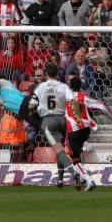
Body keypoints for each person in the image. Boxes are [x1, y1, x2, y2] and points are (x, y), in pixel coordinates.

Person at [58, 77, 112, 191]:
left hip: (73, 130)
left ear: (70, 86)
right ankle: (82, 176)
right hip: (86, 129)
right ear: (80, 86)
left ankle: (89, 180)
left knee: (74, 158)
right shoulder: (83, 97)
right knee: (78, 150)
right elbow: (102, 107)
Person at [29, 62, 83, 190]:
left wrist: (32, 112)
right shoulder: (63, 86)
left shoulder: (40, 87)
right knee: (61, 149)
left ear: (45, 73)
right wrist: (79, 117)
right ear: (57, 73)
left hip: (48, 121)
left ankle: (74, 173)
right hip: (62, 119)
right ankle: (59, 179)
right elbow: (74, 101)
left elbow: (31, 105)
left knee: (59, 151)